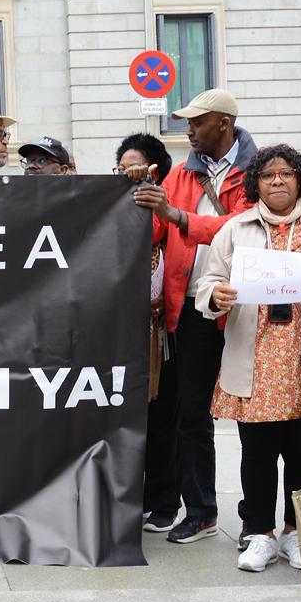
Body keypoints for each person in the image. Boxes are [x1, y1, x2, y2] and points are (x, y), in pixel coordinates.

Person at [198, 144, 301, 572]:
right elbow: (208, 281)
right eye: (268, 175)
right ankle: (259, 533)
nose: (277, 181)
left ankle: (295, 531)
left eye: (286, 174)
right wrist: (216, 295)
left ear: (299, 180)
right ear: (256, 182)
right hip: (254, 358)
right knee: (256, 454)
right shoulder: (236, 228)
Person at [130, 88, 258, 543]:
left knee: (253, 417)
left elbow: (244, 227)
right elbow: (157, 228)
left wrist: (180, 217)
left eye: (196, 122)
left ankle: (256, 520)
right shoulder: (181, 174)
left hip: (246, 308)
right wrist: (135, 197)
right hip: (190, 308)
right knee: (192, 416)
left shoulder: (259, 171)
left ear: (223, 122)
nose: (188, 130)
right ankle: (201, 510)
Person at [116, 134, 179, 531]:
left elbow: (159, 230)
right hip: (119, 339)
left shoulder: (169, 214)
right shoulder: (108, 212)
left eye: (137, 167)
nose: (128, 174)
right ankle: (129, 498)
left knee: (163, 421)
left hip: (163, 336)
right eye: (121, 169)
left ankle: (163, 501)